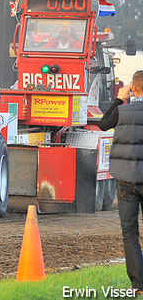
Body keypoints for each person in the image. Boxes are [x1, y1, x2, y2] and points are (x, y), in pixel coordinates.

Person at [99, 70, 143, 294]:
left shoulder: (122, 111)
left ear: (132, 89)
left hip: (126, 178)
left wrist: (119, 98)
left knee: (130, 232)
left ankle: (138, 285)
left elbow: (103, 124)